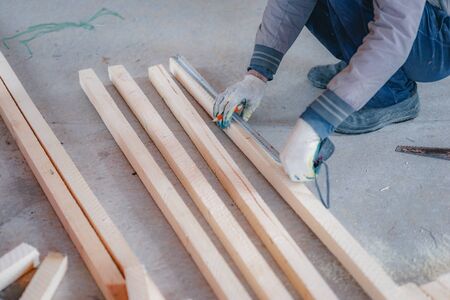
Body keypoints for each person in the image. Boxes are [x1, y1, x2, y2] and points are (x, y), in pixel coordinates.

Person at [213, 0, 450, 182]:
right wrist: (257, 75)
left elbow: (393, 34)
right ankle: (355, 63)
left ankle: (393, 95)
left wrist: (320, 119)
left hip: (435, 38)